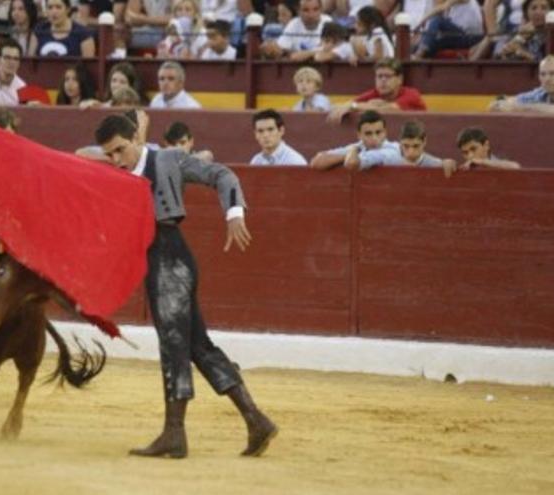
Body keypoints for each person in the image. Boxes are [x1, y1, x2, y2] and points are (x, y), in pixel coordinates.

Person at [94, 113, 277, 459]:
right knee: (198, 346)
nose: (116, 160)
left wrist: (234, 213)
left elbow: (221, 174)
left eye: (120, 150)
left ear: (135, 138)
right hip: (155, 259)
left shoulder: (168, 158)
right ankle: (256, 421)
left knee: (174, 344)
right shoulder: (121, 168)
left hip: (170, 257)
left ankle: (174, 433)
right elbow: (84, 156)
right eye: (110, 155)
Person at [327, 58, 426, 122]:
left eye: (388, 76)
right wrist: (351, 105)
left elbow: (390, 109)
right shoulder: (375, 93)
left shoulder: (412, 94)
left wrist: (355, 106)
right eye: (379, 76)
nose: (383, 80)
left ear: (399, 79)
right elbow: (343, 105)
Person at [345, 120, 456, 175]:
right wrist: (354, 149)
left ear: (424, 142)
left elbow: (448, 165)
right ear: (400, 143)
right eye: (406, 146)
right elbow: (352, 164)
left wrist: (447, 163)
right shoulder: (388, 156)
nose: (411, 152)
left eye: (416, 146)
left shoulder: (434, 163)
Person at [489, 55, 554, 115]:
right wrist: (502, 103)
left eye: (552, 73)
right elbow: (496, 105)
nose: (547, 79)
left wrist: (521, 108)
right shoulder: (539, 93)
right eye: (543, 74)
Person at [311, 110, 399, 169]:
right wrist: (348, 155)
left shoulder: (392, 150)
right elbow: (316, 162)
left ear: (385, 132)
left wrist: (350, 153)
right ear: (359, 135)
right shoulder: (358, 147)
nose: (374, 138)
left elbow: (351, 163)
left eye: (378, 132)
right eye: (368, 133)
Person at [262, 0, 332, 60]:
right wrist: (272, 49)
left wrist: (303, 54)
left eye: (315, 9)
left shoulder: (328, 22)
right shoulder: (294, 23)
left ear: (321, 10)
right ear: (298, 11)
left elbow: (333, 49)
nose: (311, 15)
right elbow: (282, 48)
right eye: (306, 10)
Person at [454, 127, 522, 172]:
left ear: (486, 145)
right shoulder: (465, 169)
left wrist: (482, 162)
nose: (470, 156)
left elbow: (516, 167)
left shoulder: (498, 163)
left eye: (474, 149)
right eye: (465, 152)